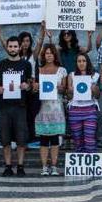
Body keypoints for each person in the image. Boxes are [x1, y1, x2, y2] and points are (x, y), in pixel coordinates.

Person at [0, 36, 33, 177]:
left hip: (21, 106)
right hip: (4, 106)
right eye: (10, 46)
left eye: (15, 46)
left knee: (21, 138)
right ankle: (8, 166)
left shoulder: (26, 65)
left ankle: (21, 166)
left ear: (20, 47)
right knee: (5, 138)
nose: (12, 49)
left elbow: (31, 86)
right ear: (7, 47)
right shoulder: (1, 65)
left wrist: (26, 86)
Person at [33, 44, 67, 175]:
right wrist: (35, 87)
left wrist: (60, 88)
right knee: (43, 138)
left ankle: (53, 166)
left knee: (54, 138)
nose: (49, 55)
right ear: (43, 55)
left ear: (55, 55)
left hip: (56, 108)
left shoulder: (62, 70)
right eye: (46, 53)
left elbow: (64, 89)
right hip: (42, 108)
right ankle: (44, 167)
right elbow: (34, 87)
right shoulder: (39, 70)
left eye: (51, 53)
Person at [67, 53, 100, 153]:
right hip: (75, 110)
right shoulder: (72, 75)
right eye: (79, 61)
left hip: (90, 109)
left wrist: (94, 89)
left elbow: (97, 95)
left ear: (87, 62)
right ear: (76, 63)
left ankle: (91, 164)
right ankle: (81, 167)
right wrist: (70, 90)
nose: (81, 63)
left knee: (89, 139)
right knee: (77, 140)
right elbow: (68, 96)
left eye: (84, 61)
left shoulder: (95, 76)